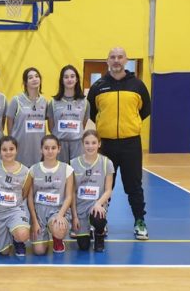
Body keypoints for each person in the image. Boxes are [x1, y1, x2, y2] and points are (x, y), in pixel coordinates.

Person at [86, 47, 151, 240]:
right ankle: (99, 222)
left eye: (119, 57)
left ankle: (139, 221)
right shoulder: (98, 86)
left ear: (126, 60)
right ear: (107, 61)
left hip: (131, 143)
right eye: (112, 57)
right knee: (104, 185)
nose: (116, 60)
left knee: (134, 185)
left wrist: (129, 124)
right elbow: (92, 113)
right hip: (106, 145)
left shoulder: (138, 85)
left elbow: (145, 110)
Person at [27, 135, 74, 255]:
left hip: (57, 210)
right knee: (39, 252)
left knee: (59, 229)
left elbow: (69, 196)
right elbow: (30, 197)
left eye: (53, 148)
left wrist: (60, 215)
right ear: (41, 149)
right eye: (46, 148)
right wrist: (34, 221)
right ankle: (45, 234)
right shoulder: (33, 169)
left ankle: (57, 238)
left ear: (59, 149)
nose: (50, 151)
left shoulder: (67, 169)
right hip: (39, 212)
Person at [70, 130, 114, 252]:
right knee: (83, 246)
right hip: (80, 206)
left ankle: (99, 234)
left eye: (94, 143)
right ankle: (85, 230)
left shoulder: (107, 163)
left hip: (96, 204)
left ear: (99, 144)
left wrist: (98, 203)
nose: (90, 146)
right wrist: (74, 216)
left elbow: (108, 190)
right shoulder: (73, 163)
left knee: (98, 217)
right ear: (82, 144)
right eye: (87, 143)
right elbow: (72, 192)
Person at [0, 136, 31, 256]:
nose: (8, 152)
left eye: (11, 149)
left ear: (16, 150)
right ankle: (1, 232)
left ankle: (17, 240)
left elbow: (24, 194)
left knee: (22, 234)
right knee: (4, 251)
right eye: (4, 149)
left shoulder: (25, 171)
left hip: (15, 210)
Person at [47, 64, 90, 163]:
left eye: (72, 76)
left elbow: (82, 124)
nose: (69, 79)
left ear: (77, 79)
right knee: (60, 174)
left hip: (77, 144)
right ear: (62, 80)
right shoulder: (53, 102)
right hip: (59, 144)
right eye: (66, 77)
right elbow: (51, 126)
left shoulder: (85, 102)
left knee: (76, 175)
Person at [7, 67, 47, 168]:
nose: (34, 79)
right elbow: (9, 122)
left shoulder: (45, 101)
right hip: (21, 148)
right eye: (30, 77)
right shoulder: (16, 100)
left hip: (38, 148)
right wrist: (12, 143)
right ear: (25, 82)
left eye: (37, 76)